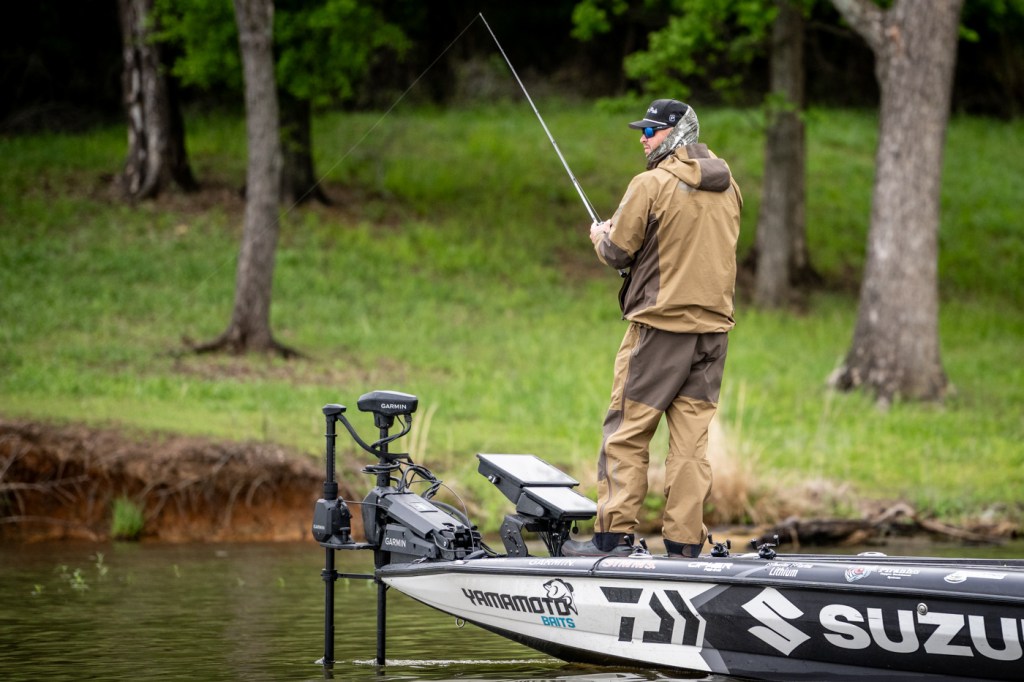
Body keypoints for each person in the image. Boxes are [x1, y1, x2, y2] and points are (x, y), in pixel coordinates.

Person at [562, 99, 742, 558]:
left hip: (659, 331)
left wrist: (600, 236)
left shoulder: (651, 184)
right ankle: (684, 547)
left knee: (626, 432)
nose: (643, 139)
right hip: (713, 335)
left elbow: (617, 252)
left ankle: (612, 540)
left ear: (676, 133)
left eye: (651, 131)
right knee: (690, 445)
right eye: (642, 131)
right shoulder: (730, 187)